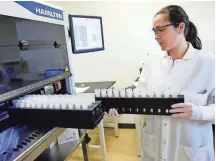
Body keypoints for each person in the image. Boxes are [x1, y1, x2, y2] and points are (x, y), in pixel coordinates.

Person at [108, 5, 215, 161]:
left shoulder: (208, 63)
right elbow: (139, 93)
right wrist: (119, 105)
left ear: (180, 27)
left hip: (191, 150)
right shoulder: (152, 61)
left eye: (161, 29)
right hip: (155, 146)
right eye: (154, 31)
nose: (156, 36)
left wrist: (198, 112)